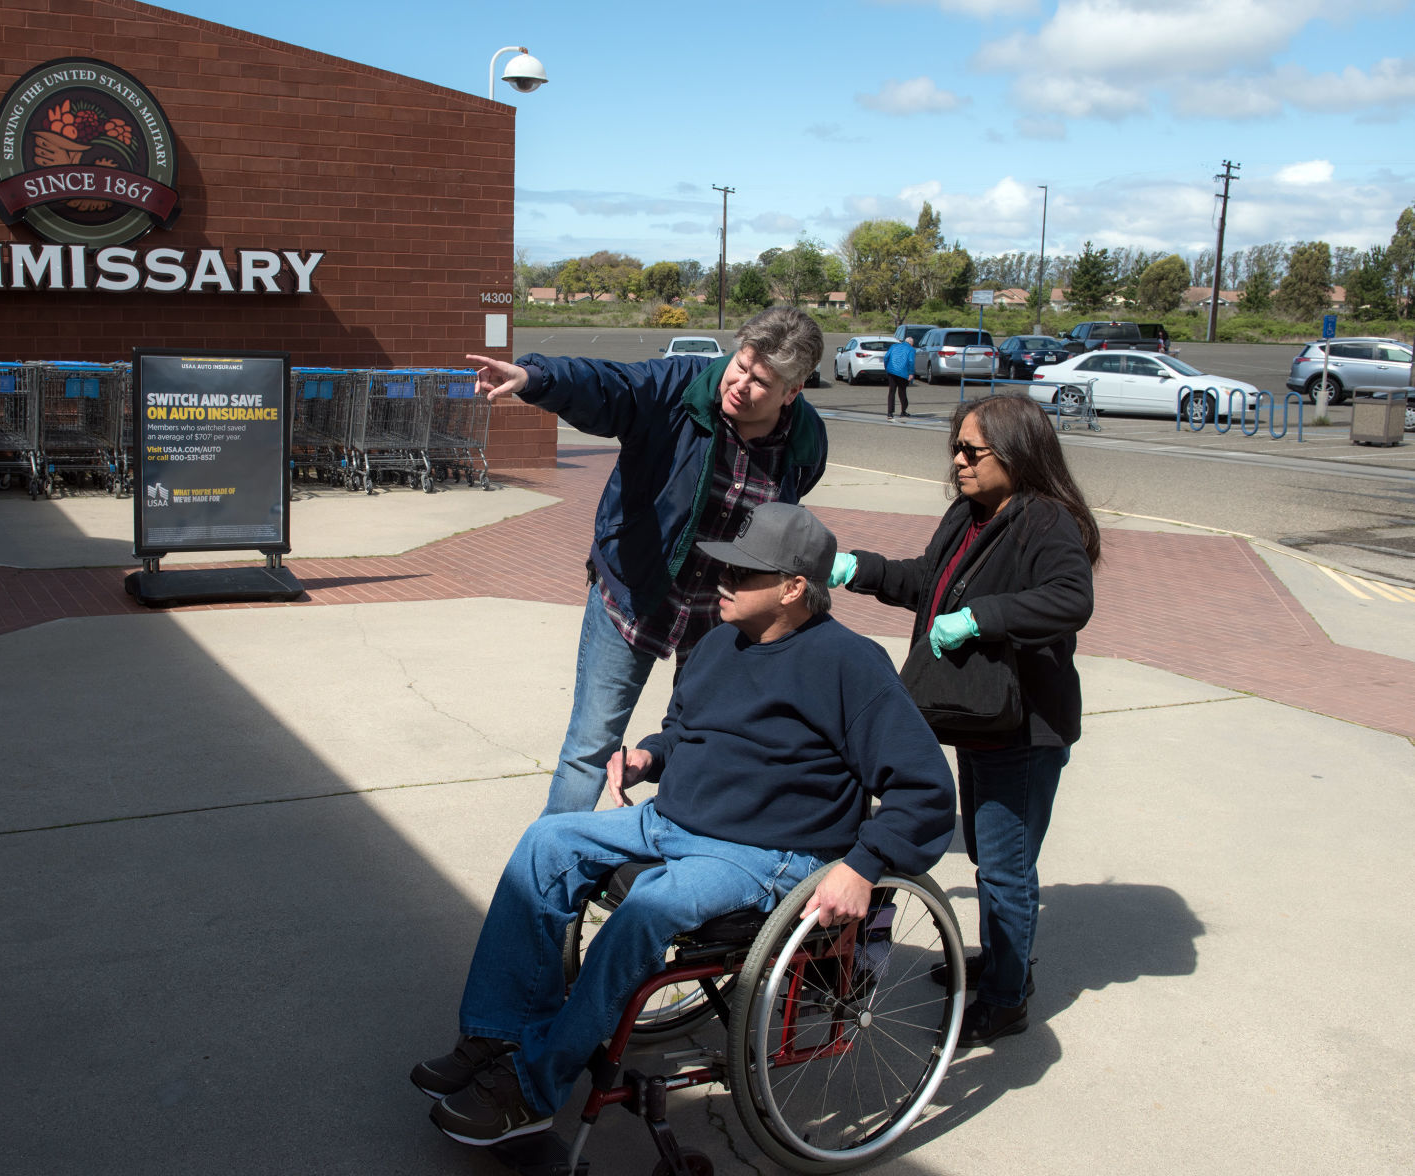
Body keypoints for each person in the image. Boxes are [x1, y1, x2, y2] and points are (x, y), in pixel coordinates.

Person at [411, 504, 954, 1146]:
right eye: (725, 563)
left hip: (765, 852)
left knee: (647, 907)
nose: (722, 578)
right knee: (545, 843)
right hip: (672, 820)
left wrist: (864, 866)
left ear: (793, 587)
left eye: (744, 572)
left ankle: (531, 1088)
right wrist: (649, 755)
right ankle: (496, 1034)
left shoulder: (850, 664)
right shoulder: (717, 642)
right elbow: (685, 731)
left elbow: (926, 789)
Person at [466, 307, 828, 817]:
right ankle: (545, 876)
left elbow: (783, 519)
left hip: (721, 616)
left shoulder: (805, 440)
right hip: (635, 594)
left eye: (761, 381)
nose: (740, 384)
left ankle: (669, 860)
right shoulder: (678, 387)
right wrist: (533, 378)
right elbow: (610, 385)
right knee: (589, 751)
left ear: (793, 391)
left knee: (701, 745)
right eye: (740, 365)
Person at [829, 393, 1098, 1047]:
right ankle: (1003, 961)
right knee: (987, 853)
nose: (959, 461)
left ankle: (1007, 997)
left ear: (1015, 451)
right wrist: (856, 569)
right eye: (956, 447)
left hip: (1026, 725)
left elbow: (1070, 599)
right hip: (980, 716)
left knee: (1005, 867)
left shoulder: (1047, 522)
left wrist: (983, 617)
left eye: (971, 450)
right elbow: (927, 580)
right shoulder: (970, 514)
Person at [885, 333, 917, 421]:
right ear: (911, 343)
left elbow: (886, 357)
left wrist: (887, 368)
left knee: (891, 391)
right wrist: (911, 373)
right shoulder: (911, 349)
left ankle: (890, 413)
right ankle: (903, 411)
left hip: (891, 371)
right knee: (902, 392)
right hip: (903, 373)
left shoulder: (894, 346)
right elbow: (911, 361)